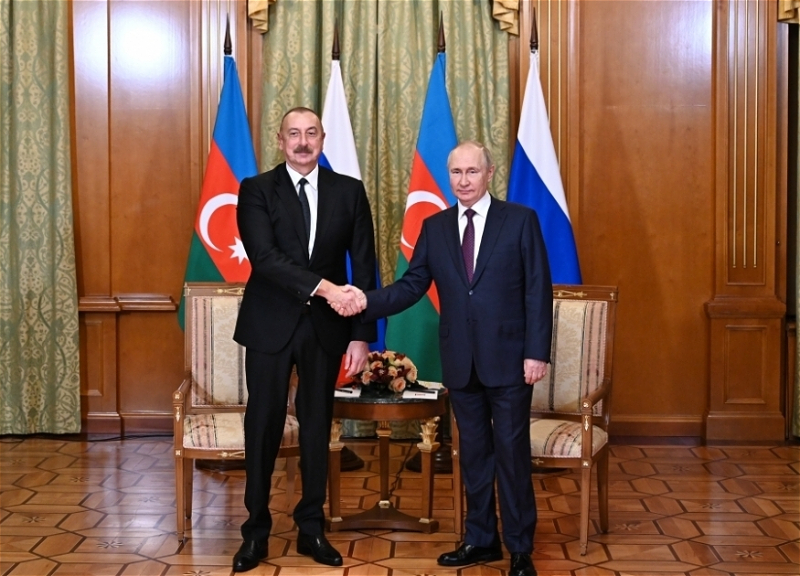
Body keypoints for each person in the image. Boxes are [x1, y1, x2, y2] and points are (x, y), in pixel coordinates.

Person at [339, 141, 552, 576]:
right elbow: (411, 285)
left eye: (472, 171)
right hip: (460, 360)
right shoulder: (435, 227)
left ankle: (520, 548)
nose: (464, 180)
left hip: (511, 360)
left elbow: (537, 289)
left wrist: (536, 352)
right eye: (457, 172)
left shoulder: (519, 220)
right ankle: (480, 540)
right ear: (448, 176)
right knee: (472, 454)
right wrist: (364, 301)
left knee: (512, 456)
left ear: (490, 173)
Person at [231, 107, 375, 572]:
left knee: (316, 427)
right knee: (263, 425)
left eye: (311, 133)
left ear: (322, 138)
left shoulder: (349, 191)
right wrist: (328, 289)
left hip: (326, 330)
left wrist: (361, 336)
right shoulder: (256, 190)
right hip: (269, 324)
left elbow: (365, 265)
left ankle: (311, 527)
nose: (302, 141)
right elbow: (265, 258)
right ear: (280, 140)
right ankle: (255, 531)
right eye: (293, 133)